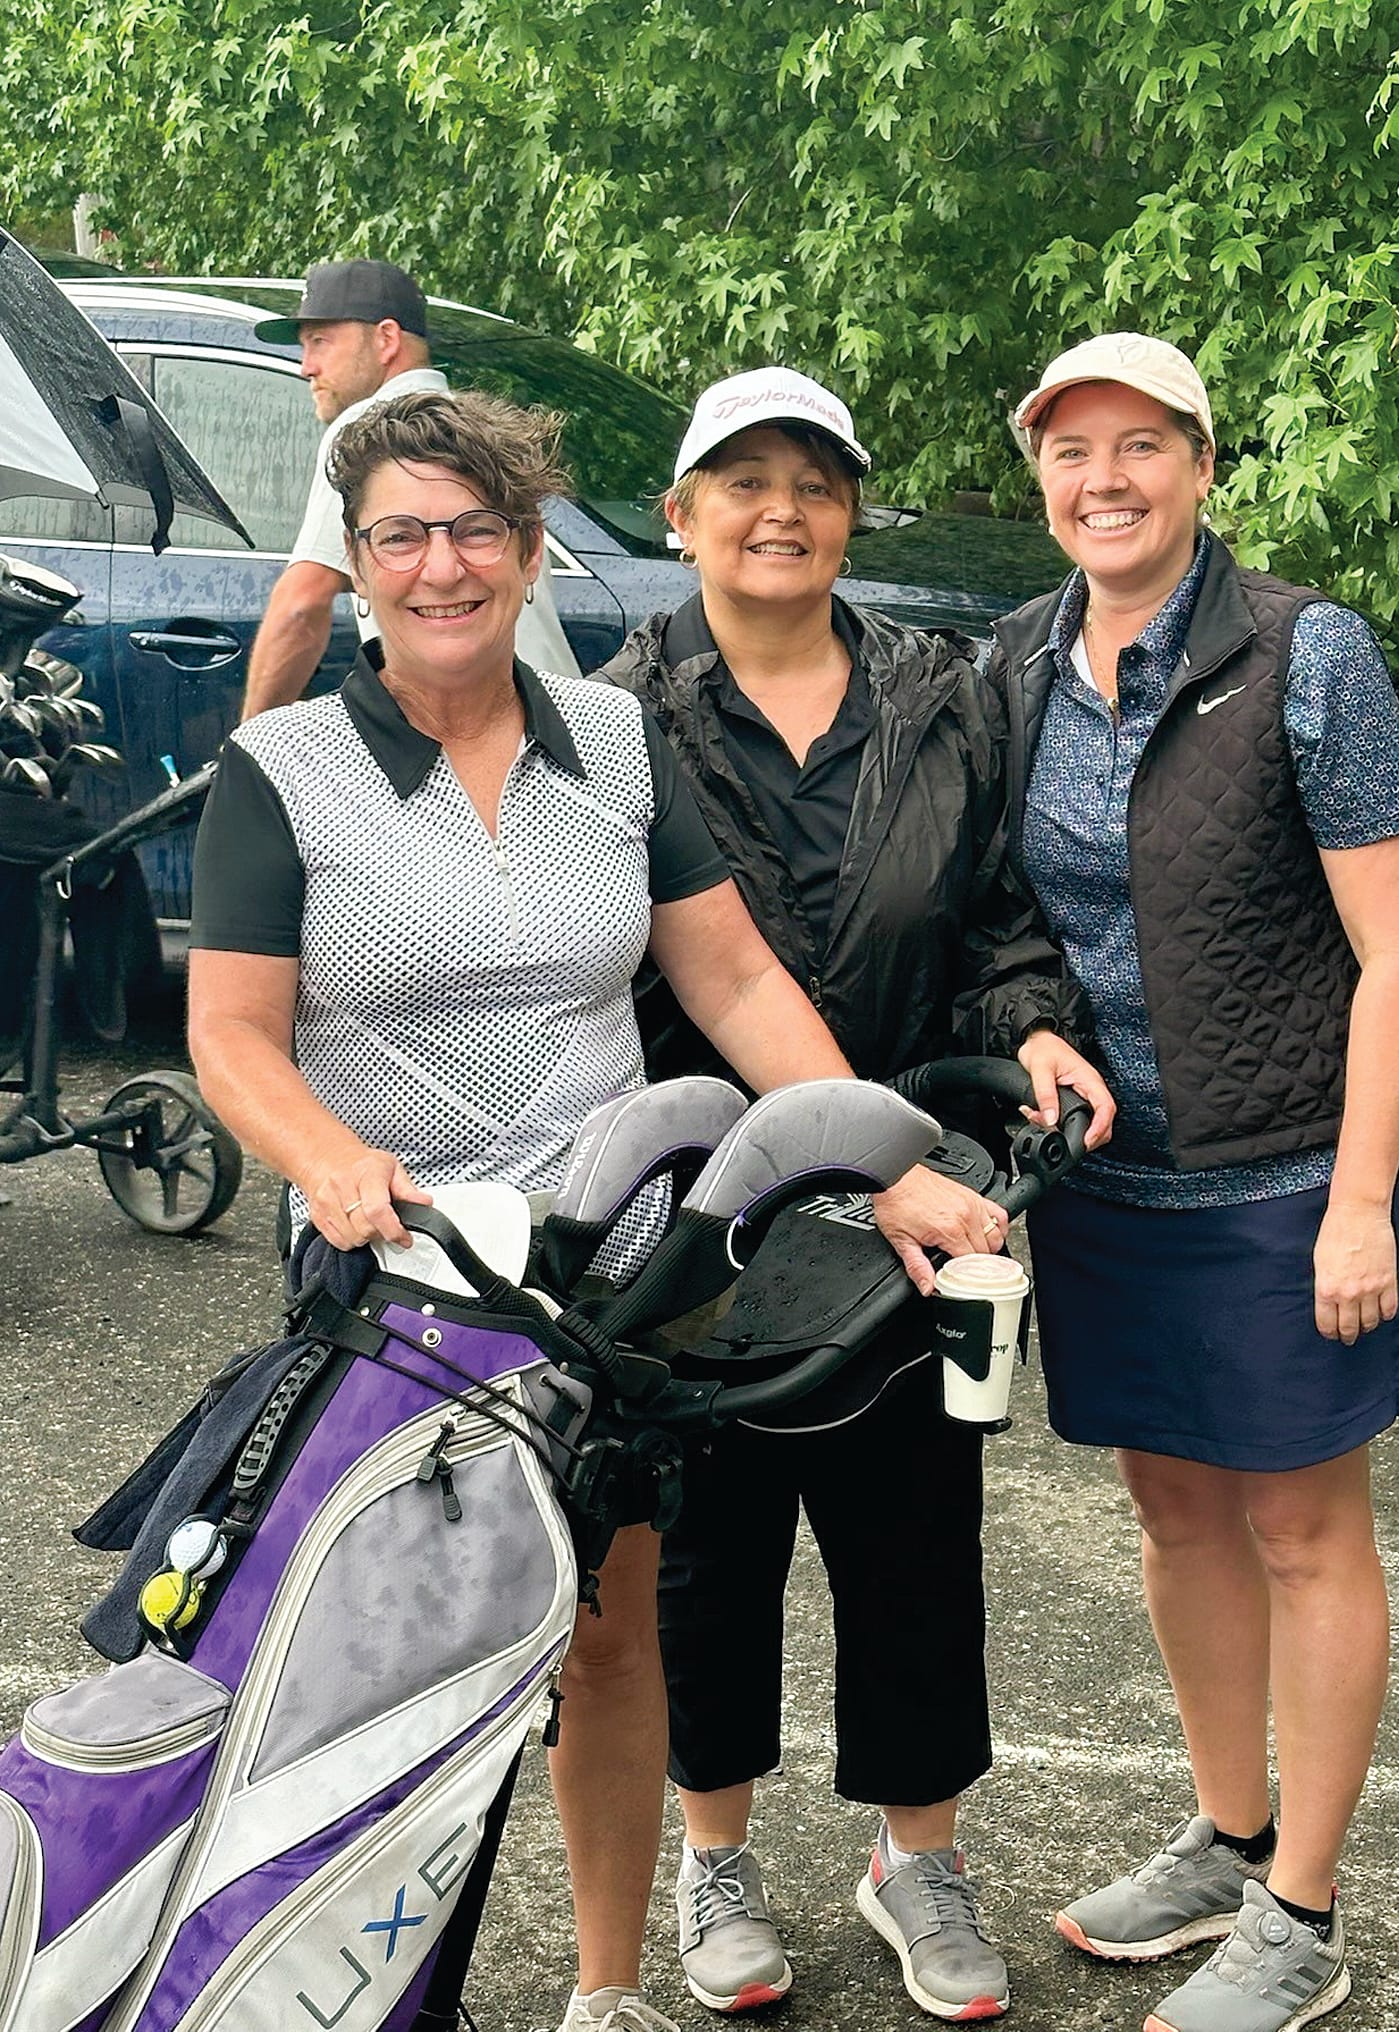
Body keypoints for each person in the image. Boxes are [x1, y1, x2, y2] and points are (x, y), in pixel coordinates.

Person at [187, 387, 1010, 2032]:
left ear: (529, 547)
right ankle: (351, 1983)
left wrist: (883, 1156)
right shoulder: (276, 771)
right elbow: (228, 1033)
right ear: (357, 565)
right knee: (385, 1659)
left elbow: (729, 973)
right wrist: (329, 1162)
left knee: (611, 1635)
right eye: (402, 535)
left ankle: (605, 1985)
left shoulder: (616, 749)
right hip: (397, 1275)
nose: (441, 566)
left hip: (600, 1273)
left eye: (475, 529)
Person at [598, 367, 1115, 2023]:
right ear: (676, 517)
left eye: (811, 481)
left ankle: (916, 1860)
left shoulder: (940, 692)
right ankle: (714, 1858)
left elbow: (997, 923)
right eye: (736, 481)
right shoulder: (612, 719)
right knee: (704, 1554)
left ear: (848, 512)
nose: (777, 511)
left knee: (912, 1546)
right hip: (702, 1212)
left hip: (920, 1202)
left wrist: (1030, 1029)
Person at [992, 332, 1399, 2032]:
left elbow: (1396, 951)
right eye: (1066, 452)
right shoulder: (1016, 661)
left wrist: (1355, 1195)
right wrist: (1033, 1025)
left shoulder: (1299, 653)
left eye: (1135, 448)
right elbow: (1009, 922)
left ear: (1197, 467)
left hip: (1281, 1177)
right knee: (1173, 1513)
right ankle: (1224, 1834)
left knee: (1300, 1526)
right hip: (1110, 1188)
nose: (1098, 480)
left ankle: (1301, 1910)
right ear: (1037, 476)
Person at [241, 257, 577, 721]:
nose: (306, 367)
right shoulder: (473, 423)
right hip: (560, 720)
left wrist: (252, 749)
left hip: (481, 728)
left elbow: (302, 604)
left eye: (320, 341)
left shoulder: (367, 433)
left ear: (386, 339)